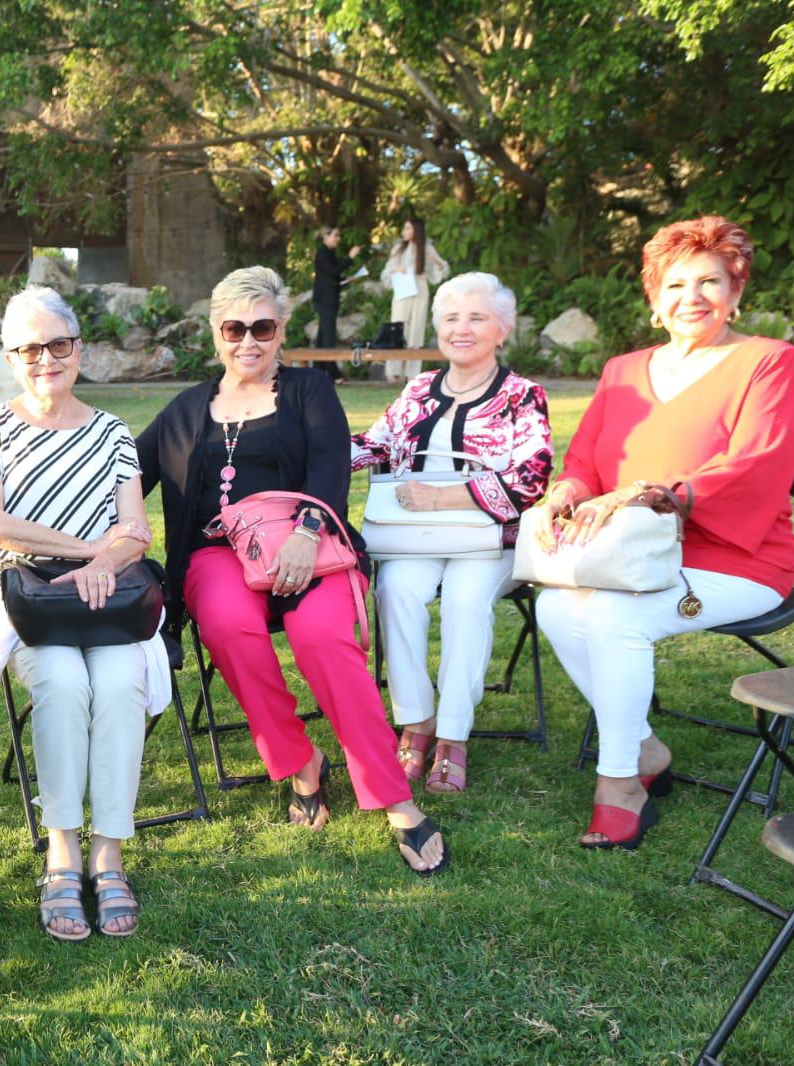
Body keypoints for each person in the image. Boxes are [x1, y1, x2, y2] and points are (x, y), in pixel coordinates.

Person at [136, 265, 449, 876]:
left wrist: (308, 531)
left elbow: (332, 466)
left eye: (263, 327)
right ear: (215, 332)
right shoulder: (186, 409)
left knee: (324, 637)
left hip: (310, 544)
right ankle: (301, 762)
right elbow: (125, 469)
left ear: (282, 331)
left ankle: (393, 796)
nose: (248, 341)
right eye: (234, 328)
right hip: (216, 555)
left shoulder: (309, 392)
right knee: (225, 624)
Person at [527, 216, 794, 850]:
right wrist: (566, 493)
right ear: (655, 299)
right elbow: (586, 460)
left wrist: (656, 493)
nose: (693, 297)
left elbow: (756, 463)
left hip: (739, 558)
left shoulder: (767, 362)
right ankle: (646, 748)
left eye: (711, 281)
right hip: (635, 554)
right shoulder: (624, 370)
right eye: (676, 284)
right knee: (555, 606)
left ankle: (620, 781)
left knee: (615, 621)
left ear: (737, 291)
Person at [0, 285, 163, 941]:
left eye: (58, 344)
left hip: (105, 598)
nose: (46, 358)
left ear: (78, 349)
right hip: (30, 599)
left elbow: (136, 527)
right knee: (62, 682)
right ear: (10, 358)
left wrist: (104, 565)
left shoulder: (109, 431)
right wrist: (85, 552)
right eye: (30, 348)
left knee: (116, 681)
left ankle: (108, 850)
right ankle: (61, 849)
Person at [352, 272, 553, 793]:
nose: (461, 328)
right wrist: (313, 452)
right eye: (451, 318)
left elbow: (532, 479)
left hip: (490, 539)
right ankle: (417, 722)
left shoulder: (522, 396)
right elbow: (374, 444)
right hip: (415, 535)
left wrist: (446, 495)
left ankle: (454, 738)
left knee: (465, 600)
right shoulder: (418, 389)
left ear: (502, 329)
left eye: (477, 317)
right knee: (396, 589)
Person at [380, 218, 450, 382]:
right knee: (398, 326)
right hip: (402, 288)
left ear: (415, 230)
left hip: (419, 288)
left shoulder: (426, 248)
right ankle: (394, 371)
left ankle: (412, 372)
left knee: (416, 329)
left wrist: (435, 262)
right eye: (404, 228)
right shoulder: (399, 249)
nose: (404, 231)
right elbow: (387, 271)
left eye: (407, 228)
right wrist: (398, 269)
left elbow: (441, 269)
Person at [311, 226, 361, 383]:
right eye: (335, 235)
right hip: (325, 300)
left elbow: (332, 277)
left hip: (328, 299)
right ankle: (333, 373)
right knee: (328, 337)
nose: (338, 239)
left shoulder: (329, 253)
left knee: (322, 338)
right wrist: (350, 258)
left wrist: (346, 279)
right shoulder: (323, 252)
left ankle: (317, 371)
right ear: (326, 236)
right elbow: (333, 271)